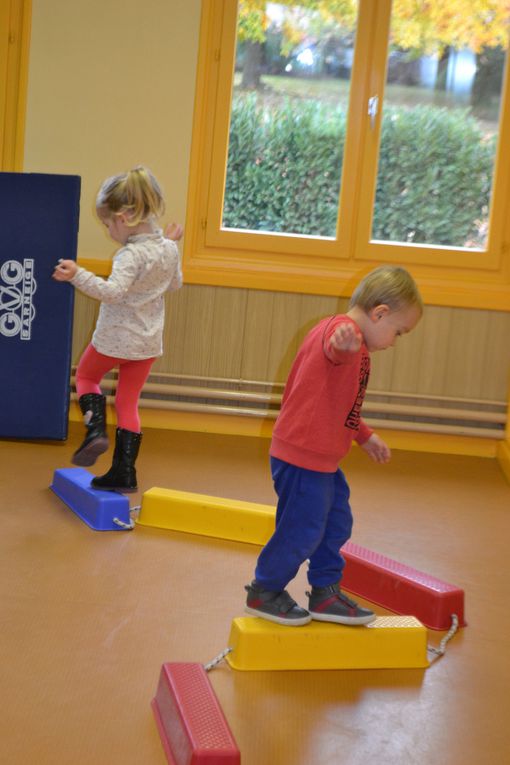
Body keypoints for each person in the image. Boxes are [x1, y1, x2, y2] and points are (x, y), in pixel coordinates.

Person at [245, 265, 423, 626]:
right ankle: (264, 590)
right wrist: (342, 346)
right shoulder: (341, 334)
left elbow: (342, 403)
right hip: (302, 457)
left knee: (336, 522)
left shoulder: (358, 343)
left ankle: (325, 592)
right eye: (398, 332)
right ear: (380, 313)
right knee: (301, 528)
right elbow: (333, 352)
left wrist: (364, 434)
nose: (394, 341)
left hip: (323, 461)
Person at [53, 166, 183, 492]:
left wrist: (77, 275)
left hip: (114, 339)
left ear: (124, 218)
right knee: (128, 402)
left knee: (86, 377)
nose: (109, 231)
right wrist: (171, 244)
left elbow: (112, 292)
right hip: (147, 344)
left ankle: (95, 431)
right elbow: (176, 284)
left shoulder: (130, 254)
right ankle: (124, 473)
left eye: (108, 224)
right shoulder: (168, 248)